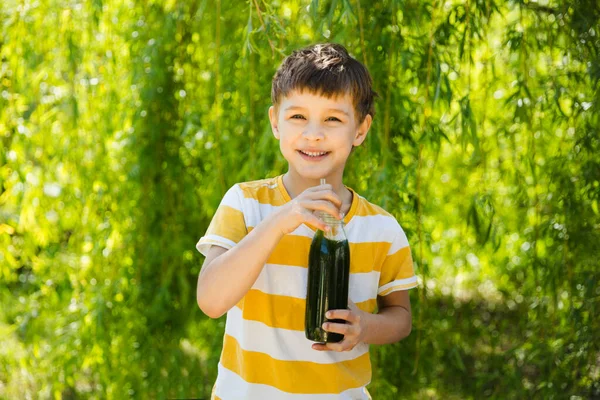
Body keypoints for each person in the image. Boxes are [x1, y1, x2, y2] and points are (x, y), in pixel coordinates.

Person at [196, 43, 418, 399]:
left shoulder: (382, 229)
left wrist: (365, 327)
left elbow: (400, 317)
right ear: (275, 122)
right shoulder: (245, 204)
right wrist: (281, 220)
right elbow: (211, 300)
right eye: (298, 117)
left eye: (333, 119)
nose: (313, 133)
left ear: (360, 130)